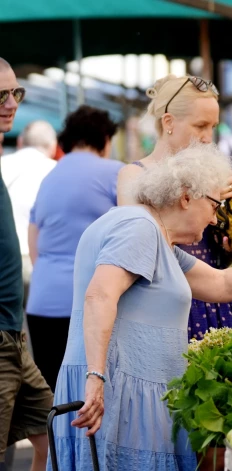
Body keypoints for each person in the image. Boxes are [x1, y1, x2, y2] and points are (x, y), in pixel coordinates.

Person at [49, 143, 232, 470]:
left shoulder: (156, 236)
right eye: (215, 205)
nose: (215, 219)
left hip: (129, 392)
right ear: (186, 197)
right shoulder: (139, 228)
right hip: (117, 393)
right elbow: (99, 295)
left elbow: (222, 283)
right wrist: (96, 377)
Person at [117, 75, 232, 340]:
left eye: (213, 127)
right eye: (200, 126)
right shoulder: (133, 176)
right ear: (169, 122)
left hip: (217, 302)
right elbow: (144, 251)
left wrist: (229, 250)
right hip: (170, 309)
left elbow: (212, 260)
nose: (208, 138)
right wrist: (203, 198)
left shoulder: (213, 175)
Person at [27, 106, 123, 392]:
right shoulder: (115, 172)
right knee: (91, 401)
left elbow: (35, 237)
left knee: (56, 400)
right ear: (105, 138)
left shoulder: (49, 176)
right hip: (88, 306)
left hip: (42, 303)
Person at [0, 57, 51, 471]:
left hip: (15, 338)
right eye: (0, 95)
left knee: (53, 428)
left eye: (16, 92)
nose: (11, 103)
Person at [1, 121, 58, 289]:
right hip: (38, 258)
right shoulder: (56, 171)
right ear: (53, 146)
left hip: (4, 254)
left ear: (20, 142)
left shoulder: (3, 164)